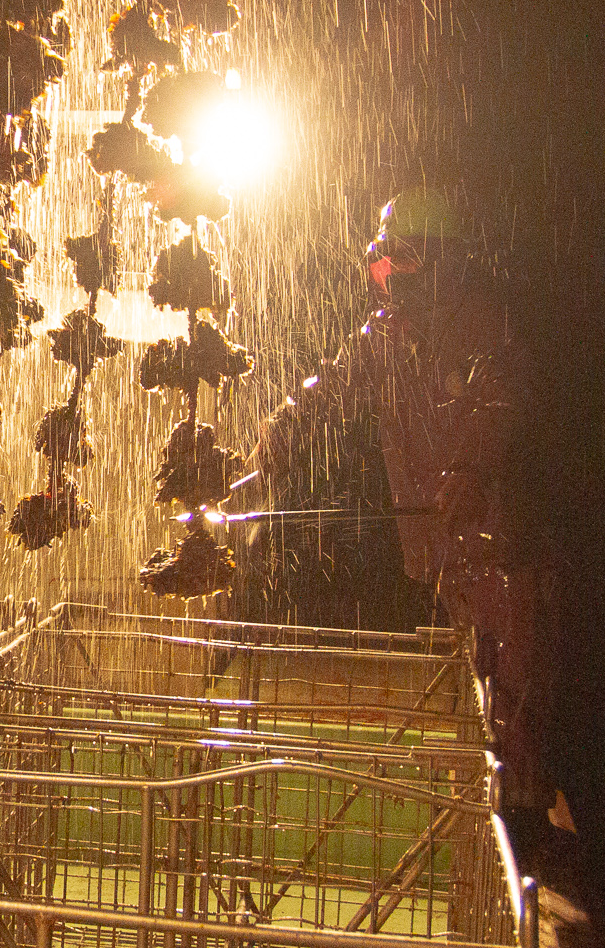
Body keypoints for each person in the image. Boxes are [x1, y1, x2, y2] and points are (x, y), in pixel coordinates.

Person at [245, 189, 555, 819]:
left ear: (443, 261)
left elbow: (505, 403)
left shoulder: (483, 325)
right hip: (441, 539)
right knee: (477, 668)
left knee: (517, 665)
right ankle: (494, 793)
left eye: (404, 262)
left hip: (499, 537)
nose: (390, 277)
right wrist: (283, 426)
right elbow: (329, 388)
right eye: (385, 262)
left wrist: (471, 470)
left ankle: (522, 810)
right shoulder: (383, 338)